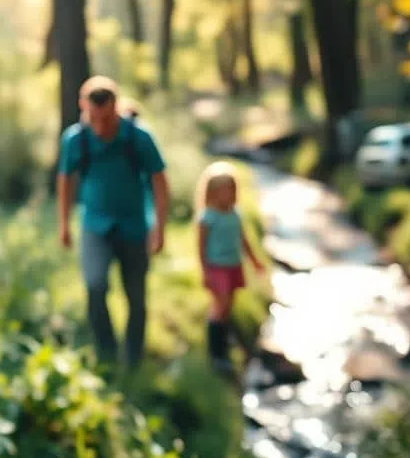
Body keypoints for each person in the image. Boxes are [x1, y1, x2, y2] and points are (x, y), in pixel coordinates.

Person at [57, 76, 169, 368]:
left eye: (106, 118)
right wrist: (64, 224)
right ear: (83, 107)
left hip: (134, 226)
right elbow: (65, 180)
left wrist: (160, 227)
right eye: (93, 118)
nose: (100, 126)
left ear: (115, 107)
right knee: (95, 286)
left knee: (136, 294)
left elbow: (159, 181)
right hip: (95, 226)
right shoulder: (75, 140)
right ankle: (106, 354)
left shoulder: (139, 138)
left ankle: (133, 359)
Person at [195, 161, 265, 372]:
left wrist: (254, 261)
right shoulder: (207, 218)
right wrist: (205, 271)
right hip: (217, 267)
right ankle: (216, 351)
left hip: (233, 265)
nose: (231, 195)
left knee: (228, 304)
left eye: (233, 190)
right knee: (220, 305)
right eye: (226, 191)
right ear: (213, 193)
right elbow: (200, 247)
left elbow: (243, 240)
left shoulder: (235, 214)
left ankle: (225, 341)